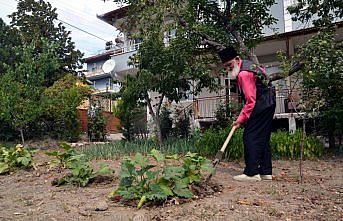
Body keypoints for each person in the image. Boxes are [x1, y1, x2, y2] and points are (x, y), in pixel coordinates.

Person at [218, 46, 276, 181]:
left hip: (260, 104)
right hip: (269, 102)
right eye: (226, 67)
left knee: (250, 136)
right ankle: (265, 172)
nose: (228, 69)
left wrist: (240, 119)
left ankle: (252, 173)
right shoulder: (251, 65)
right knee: (262, 137)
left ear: (237, 60)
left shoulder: (244, 74)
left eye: (229, 65)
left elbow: (250, 100)